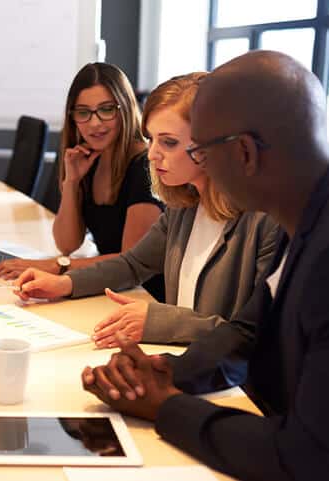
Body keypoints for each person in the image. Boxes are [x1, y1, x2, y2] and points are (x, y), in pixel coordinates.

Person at [80, 50, 329, 481]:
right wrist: (162, 374)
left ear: (245, 153)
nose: (201, 167)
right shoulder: (304, 220)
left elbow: (303, 457)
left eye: (204, 150)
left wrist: (168, 407)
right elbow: (247, 332)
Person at [12, 73, 279, 347]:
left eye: (169, 142)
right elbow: (133, 263)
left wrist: (158, 321)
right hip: (182, 361)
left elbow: (256, 335)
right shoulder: (184, 206)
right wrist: (65, 284)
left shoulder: (266, 222)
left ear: (211, 143)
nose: (152, 154)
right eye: (151, 139)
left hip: (229, 384)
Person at [0, 63, 165, 301]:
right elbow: (67, 243)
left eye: (106, 110)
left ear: (124, 109)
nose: (95, 123)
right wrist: (72, 182)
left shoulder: (144, 167)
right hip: (107, 287)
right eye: (83, 112)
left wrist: (57, 266)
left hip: (144, 295)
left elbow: (130, 260)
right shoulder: (89, 160)